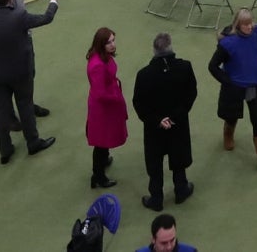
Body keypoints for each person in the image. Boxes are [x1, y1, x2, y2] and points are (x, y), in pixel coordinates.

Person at [0, 0, 60, 164]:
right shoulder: (19, 16)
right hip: (20, 71)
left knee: (1, 111)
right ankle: (33, 142)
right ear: (10, 0)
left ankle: (5, 150)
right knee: (25, 105)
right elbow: (46, 18)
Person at [132, 31, 198, 211]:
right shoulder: (185, 67)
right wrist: (176, 117)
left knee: (155, 161)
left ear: (154, 50)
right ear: (171, 48)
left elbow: (138, 103)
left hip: (154, 128)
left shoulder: (143, 75)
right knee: (178, 156)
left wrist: (158, 120)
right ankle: (181, 190)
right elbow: (191, 94)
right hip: (178, 124)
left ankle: (156, 198)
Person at [206, 8, 257, 173]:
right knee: (232, 116)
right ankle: (228, 135)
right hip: (235, 89)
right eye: (246, 24)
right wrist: (228, 82)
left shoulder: (256, 35)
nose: (250, 27)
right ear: (238, 25)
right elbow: (212, 66)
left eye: (251, 23)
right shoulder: (228, 44)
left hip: (253, 86)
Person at [85, 25, 129, 191]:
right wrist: (116, 98)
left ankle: (103, 161)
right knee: (101, 142)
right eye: (109, 42)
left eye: (113, 40)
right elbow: (100, 94)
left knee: (104, 138)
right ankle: (98, 176)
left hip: (107, 105)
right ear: (101, 44)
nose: (113, 44)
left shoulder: (102, 56)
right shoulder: (98, 65)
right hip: (103, 108)